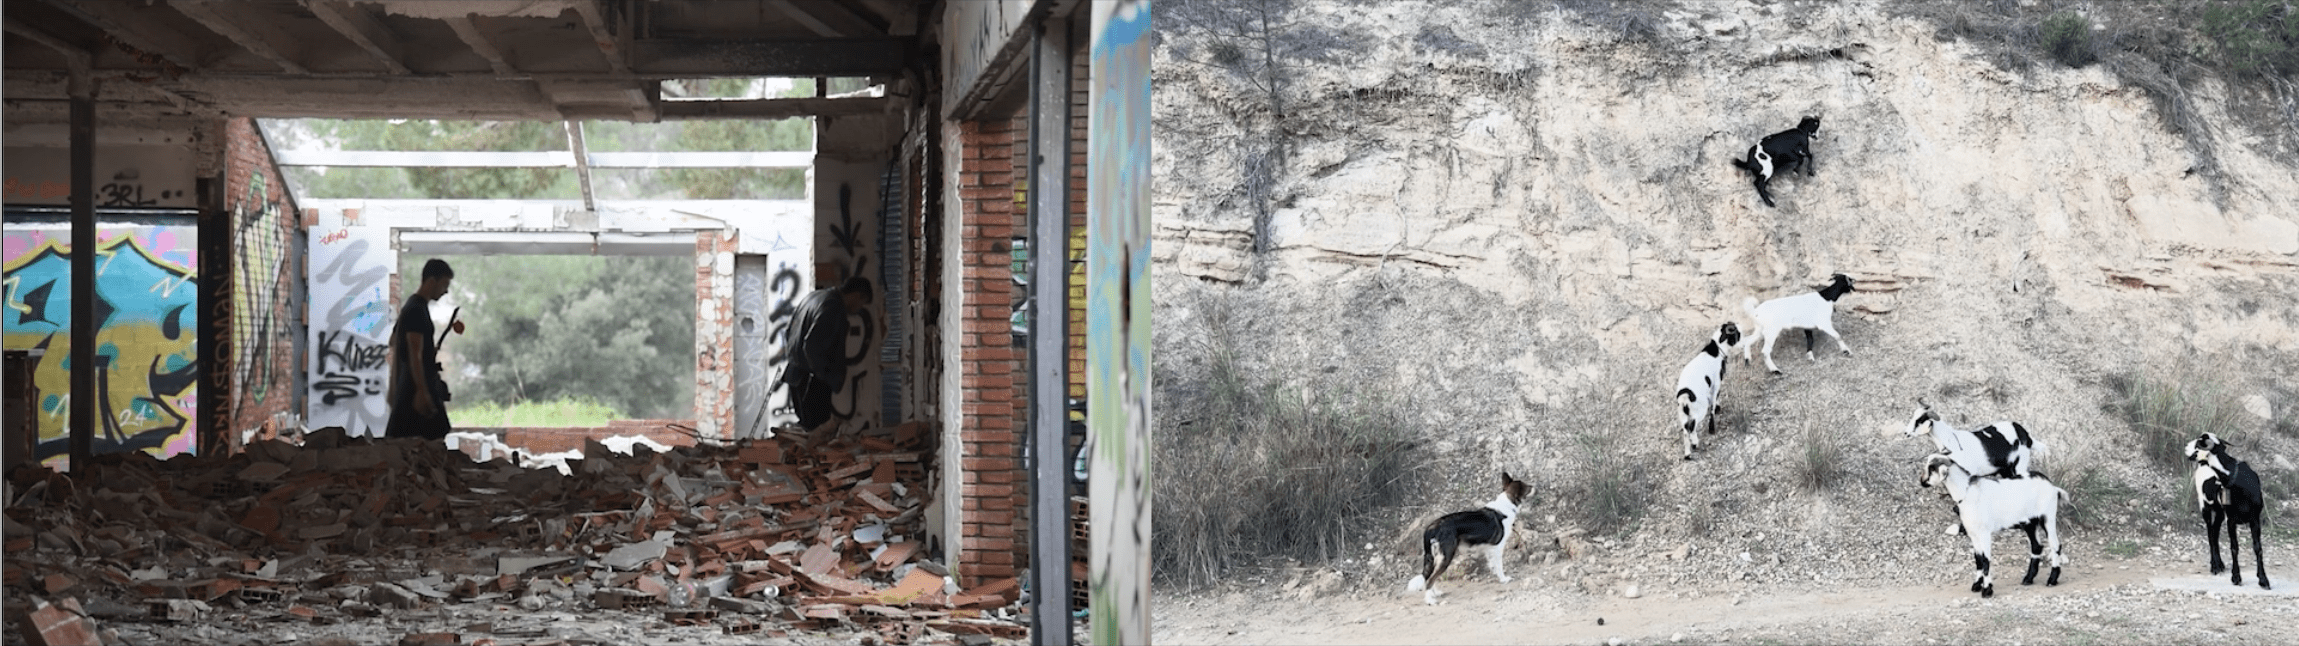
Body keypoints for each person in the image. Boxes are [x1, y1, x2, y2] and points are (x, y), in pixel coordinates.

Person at [784, 276, 872, 446]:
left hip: (796, 374)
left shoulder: (814, 297)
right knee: (817, 438)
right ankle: (813, 471)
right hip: (812, 380)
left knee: (809, 433)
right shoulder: (833, 307)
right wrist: (824, 375)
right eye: (862, 302)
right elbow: (811, 346)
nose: (859, 308)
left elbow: (789, 332)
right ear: (856, 295)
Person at [385, 259, 465, 439]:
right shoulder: (417, 310)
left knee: (412, 443)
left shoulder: (410, 307)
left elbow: (394, 340)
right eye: (444, 284)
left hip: (407, 387)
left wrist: (428, 351)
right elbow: (414, 353)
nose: (446, 290)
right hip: (414, 390)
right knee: (427, 440)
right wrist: (422, 391)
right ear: (431, 282)